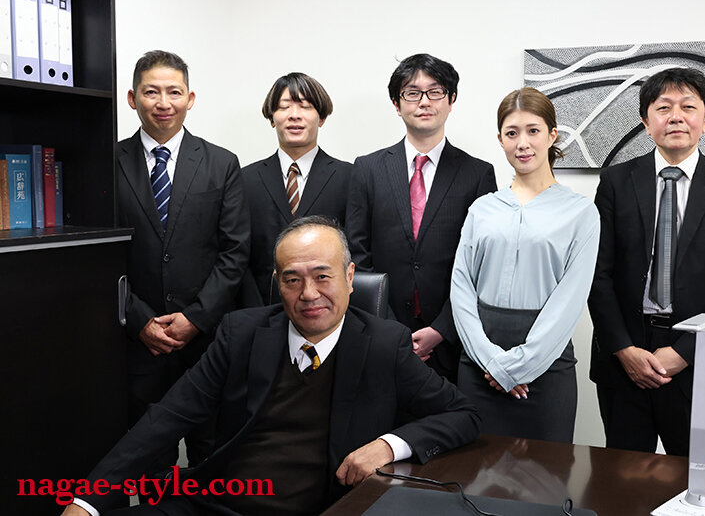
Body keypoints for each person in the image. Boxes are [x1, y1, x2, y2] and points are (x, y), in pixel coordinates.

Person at [62, 216, 480, 516]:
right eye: (292, 279)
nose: (309, 293)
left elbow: (464, 414)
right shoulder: (241, 333)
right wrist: (87, 501)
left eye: (323, 276)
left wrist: (389, 445)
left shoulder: (385, 344)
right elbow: (167, 419)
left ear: (350, 277)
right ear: (278, 283)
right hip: (219, 503)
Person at [588, 67, 705, 460]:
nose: (676, 117)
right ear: (645, 121)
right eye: (663, 108)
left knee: (703, 478)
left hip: (699, 360)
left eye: (688, 107)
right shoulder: (615, 182)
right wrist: (623, 349)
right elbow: (597, 275)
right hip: (626, 359)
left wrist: (684, 352)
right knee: (622, 482)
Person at [116, 50, 250, 476]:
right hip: (138, 343)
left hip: (205, 340)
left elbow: (234, 252)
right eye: (151, 92)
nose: (163, 103)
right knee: (148, 456)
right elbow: (101, 256)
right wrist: (140, 320)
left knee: (210, 452)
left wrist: (195, 318)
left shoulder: (222, 163)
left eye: (174, 92)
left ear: (190, 99)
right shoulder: (107, 162)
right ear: (132, 98)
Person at [450, 87, 600, 441]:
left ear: (552, 135)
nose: (522, 143)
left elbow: (570, 299)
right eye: (512, 133)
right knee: (470, 468)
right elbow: (461, 287)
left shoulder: (580, 212)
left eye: (533, 131)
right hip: (479, 362)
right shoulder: (482, 209)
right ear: (500, 140)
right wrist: (490, 360)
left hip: (546, 365)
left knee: (545, 472)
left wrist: (521, 365)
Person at [346, 53, 496, 382]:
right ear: (397, 104)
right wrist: (388, 328)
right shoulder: (367, 169)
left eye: (435, 91)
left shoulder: (477, 174)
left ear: (451, 100)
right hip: (381, 334)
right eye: (412, 93)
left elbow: (482, 264)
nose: (424, 102)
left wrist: (443, 329)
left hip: (452, 341)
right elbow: (357, 254)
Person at [240, 72, 351, 306]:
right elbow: (238, 254)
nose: (294, 115)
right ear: (272, 118)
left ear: (321, 117)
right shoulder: (244, 179)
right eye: (284, 107)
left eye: (305, 106)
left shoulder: (349, 177)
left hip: (325, 307)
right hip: (259, 309)